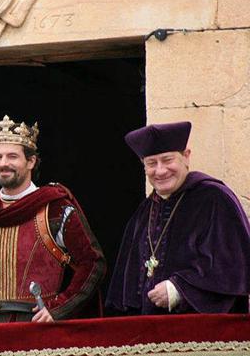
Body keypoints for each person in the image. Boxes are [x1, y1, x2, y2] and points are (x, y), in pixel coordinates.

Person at [0, 115, 106, 325]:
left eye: (12, 156)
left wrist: (59, 308)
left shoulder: (55, 209)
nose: (3, 163)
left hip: (36, 329)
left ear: (31, 161)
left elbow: (93, 263)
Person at [106, 121, 250, 314]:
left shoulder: (215, 199)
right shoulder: (144, 212)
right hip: (148, 334)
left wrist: (179, 290)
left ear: (186, 157)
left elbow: (232, 268)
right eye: (151, 163)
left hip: (203, 332)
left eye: (167, 160)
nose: (160, 170)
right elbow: (124, 286)